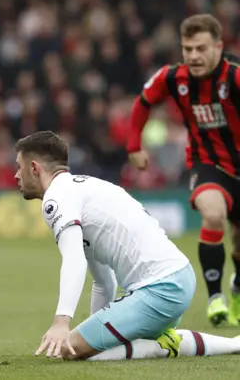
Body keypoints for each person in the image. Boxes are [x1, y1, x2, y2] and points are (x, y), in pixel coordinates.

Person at [15, 130, 240, 360]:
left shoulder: (57, 197)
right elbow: (103, 281)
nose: (16, 175)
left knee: (68, 349)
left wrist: (62, 322)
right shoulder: (83, 188)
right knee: (85, 346)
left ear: (34, 168)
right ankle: (235, 343)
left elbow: (74, 260)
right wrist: (96, 329)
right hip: (177, 279)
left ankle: (162, 348)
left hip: (159, 289)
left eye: (19, 167)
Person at [127, 13, 240, 327]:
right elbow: (143, 102)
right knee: (214, 213)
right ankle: (216, 297)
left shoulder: (235, 77)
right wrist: (134, 145)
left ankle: (237, 288)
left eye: (201, 48)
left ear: (218, 46)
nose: (193, 56)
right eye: (188, 48)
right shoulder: (172, 78)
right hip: (208, 164)